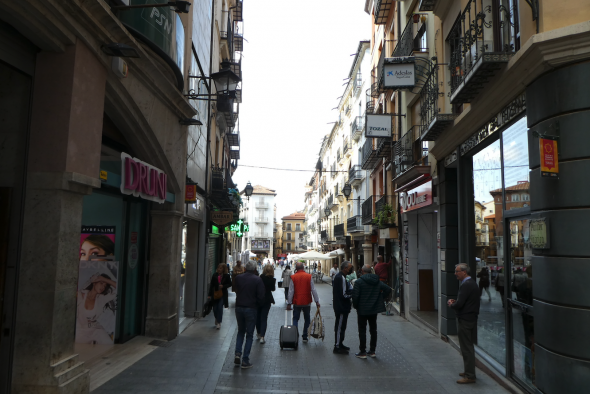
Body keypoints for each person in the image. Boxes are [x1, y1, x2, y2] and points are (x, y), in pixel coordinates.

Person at [448, 263, 481, 384]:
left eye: (457, 271)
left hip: (466, 319)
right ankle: (468, 371)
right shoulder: (470, 283)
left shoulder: (466, 285)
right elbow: (466, 301)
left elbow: (460, 304)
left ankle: (470, 375)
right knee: (467, 346)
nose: (455, 274)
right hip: (470, 318)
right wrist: (457, 302)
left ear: (464, 272)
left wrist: (452, 304)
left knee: (466, 348)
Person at [352, 265, 391, 359]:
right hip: (374, 309)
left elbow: (355, 296)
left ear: (362, 271)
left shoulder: (359, 282)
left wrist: (356, 306)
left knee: (362, 330)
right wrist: (380, 298)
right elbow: (388, 289)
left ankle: (363, 351)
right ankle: (372, 351)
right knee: (373, 330)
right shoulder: (377, 281)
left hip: (362, 309)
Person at [233, 261, 265, 369]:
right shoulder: (257, 279)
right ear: (255, 269)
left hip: (239, 307)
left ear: (245, 268)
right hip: (251, 308)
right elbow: (261, 296)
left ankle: (238, 353)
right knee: (250, 335)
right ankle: (245, 360)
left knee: (240, 331)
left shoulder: (238, 278)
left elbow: (236, 290)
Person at [76, 273, 117, 344]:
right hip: (80, 331)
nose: (103, 287)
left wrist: (103, 279)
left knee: (109, 346)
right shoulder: (81, 295)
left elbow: (118, 288)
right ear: (94, 283)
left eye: (105, 286)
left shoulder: (101, 299)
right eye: (101, 283)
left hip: (96, 330)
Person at [287, 262, 320, 343]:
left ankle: (295, 335)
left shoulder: (293, 277)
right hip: (306, 301)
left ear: (296, 268)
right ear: (303, 267)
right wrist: (317, 301)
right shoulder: (309, 276)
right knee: (307, 319)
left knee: (295, 318)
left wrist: (289, 303)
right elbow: (313, 289)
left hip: (297, 301)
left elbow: (291, 291)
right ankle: (305, 336)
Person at [332, 261, 354, 354]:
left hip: (342, 306)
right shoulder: (340, 277)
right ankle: (337, 346)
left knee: (342, 326)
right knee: (340, 326)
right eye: (349, 268)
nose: (350, 269)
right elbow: (343, 294)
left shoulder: (341, 277)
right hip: (341, 306)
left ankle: (340, 343)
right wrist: (352, 295)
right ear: (345, 268)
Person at [208, 264, 232, 329]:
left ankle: (219, 322)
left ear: (223, 269)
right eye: (218, 268)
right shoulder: (215, 275)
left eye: (221, 268)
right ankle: (217, 318)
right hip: (215, 294)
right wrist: (209, 295)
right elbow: (211, 285)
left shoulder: (226, 276)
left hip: (222, 294)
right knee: (215, 308)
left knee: (220, 307)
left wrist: (223, 286)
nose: (219, 269)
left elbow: (230, 284)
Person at [256, 264, 276, 344]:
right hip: (267, 300)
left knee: (258, 317)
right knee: (264, 318)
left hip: (259, 299)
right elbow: (273, 289)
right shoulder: (272, 279)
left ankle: (258, 332)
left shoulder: (261, 277)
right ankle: (262, 337)